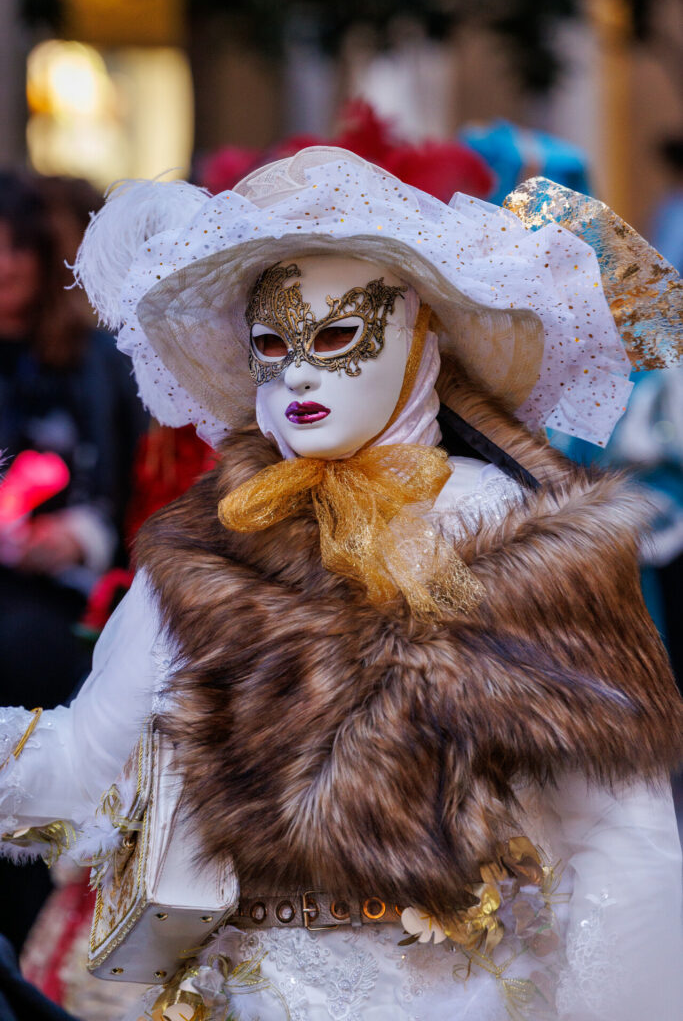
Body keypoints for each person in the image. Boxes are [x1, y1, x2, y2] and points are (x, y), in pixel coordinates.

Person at [1, 148, 682, 1021]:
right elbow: (78, 765)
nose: (298, 372)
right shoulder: (209, 544)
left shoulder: (529, 543)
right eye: (271, 344)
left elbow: (620, 844)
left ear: (422, 338)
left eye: (334, 335)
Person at [0, 172, 146, 951]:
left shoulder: (97, 361)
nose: (2, 268)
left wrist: (79, 537)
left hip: (69, 604)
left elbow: (128, 490)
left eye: (14, 249)